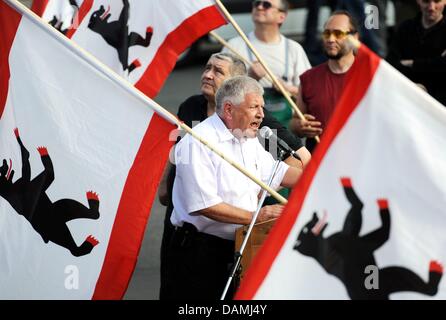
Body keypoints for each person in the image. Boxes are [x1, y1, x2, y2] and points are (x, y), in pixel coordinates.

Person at [158, 52, 311, 299]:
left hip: (236, 246)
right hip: (198, 253)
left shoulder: (248, 138)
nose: (262, 115)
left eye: (262, 107)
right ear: (229, 109)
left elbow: (279, 173)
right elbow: (204, 205)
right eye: (255, 107)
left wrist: (322, 178)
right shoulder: (199, 142)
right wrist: (256, 216)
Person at [222, 0, 311, 129]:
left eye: (266, 5)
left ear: (282, 16)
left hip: (283, 131)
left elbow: (309, 93)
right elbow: (220, 92)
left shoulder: (293, 48)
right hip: (243, 130)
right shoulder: (234, 45)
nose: (259, 7)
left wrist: (287, 88)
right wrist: (250, 80)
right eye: (256, 3)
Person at [290, 11, 360, 152]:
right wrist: (300, 126)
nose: (331, 39)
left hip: (361, 161)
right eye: (326, 33)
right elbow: (295, 123)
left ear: (354, 37)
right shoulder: (308, 79)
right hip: (322, 165)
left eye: (338, 34)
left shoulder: (370, 75)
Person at [387, 0, 446, 106]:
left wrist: (412, 63)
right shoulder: (405, 28)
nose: (431, 7)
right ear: (419, 1)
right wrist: (433, 63)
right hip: (403, 97)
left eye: (437, 1)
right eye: (426, 1)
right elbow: (391, 63)